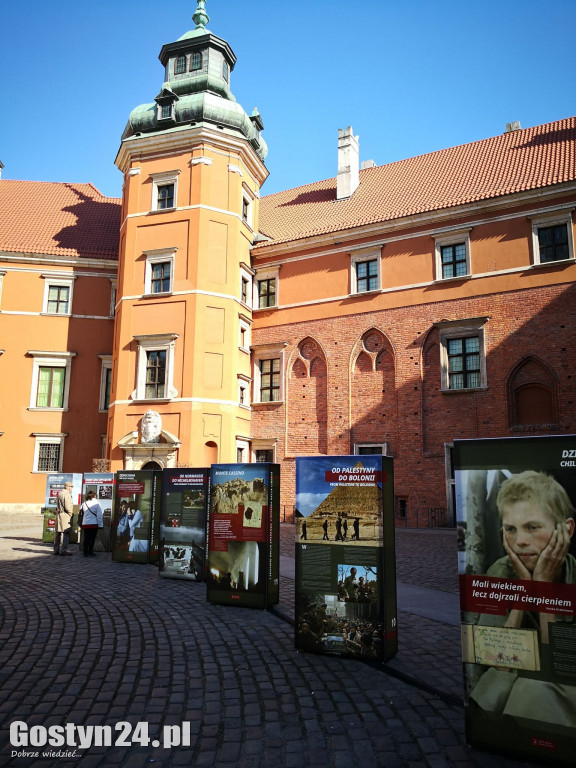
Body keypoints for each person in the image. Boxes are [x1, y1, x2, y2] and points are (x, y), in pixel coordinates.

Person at [469, 470, 576, 727]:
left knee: (533, 687)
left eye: (532, 527)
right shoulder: (500, 571)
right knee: (502, 684)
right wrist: (522, 592)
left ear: (566, 529)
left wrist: (543, 587)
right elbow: (498, 664)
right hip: (510, 685)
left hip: (561, 687)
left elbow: (558, 667)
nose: (520, 542)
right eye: (511, 529)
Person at [80, 491, 103, 557]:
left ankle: (85, 552)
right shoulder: (97, 504)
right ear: (94, 496)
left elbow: (80, 512)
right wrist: (100, 524)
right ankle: (90, 551)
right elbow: (99, 515)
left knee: (86, 538)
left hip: (85, 523)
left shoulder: (84, 503)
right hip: (93, 523)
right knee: (92, 538)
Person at [54, 481, 74, 556]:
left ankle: (56, 550)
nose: (71, 489)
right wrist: (70, 514)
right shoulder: (66, 494)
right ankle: (63, 550)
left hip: (59, 514)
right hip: (65, 515)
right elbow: (68, 506)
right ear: (68, 487)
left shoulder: (60, 493)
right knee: (65, 533)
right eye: (71, 487)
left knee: (58, 533)